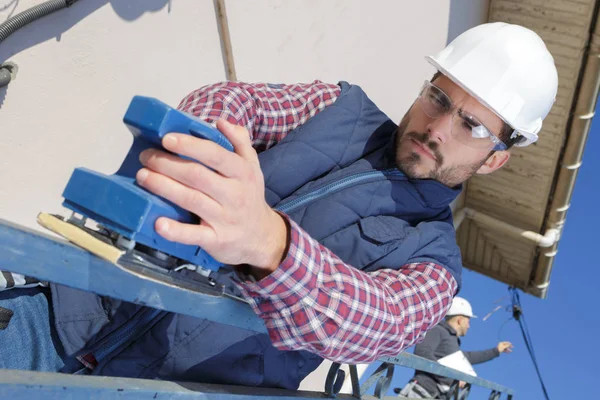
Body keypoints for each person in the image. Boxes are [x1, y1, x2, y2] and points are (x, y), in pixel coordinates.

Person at [0, 22, 557, 390]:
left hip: (171, 388)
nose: (437, 126)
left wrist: (269, 243)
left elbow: (373, 323)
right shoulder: (339, 105)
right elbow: (237, 102)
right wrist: (210, 148)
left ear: (494, 160)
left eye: (472, 124)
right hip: (62, 313)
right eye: (439, 96)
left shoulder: (436, 265)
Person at [395, 297, 513, 398]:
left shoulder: (452, 341)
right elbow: (423, 353)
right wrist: (452, 378)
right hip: (421, 392)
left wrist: (496, 351)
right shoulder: (437, 330)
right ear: (460, 320)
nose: (469, 326)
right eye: (468, 321)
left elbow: (469, 357)